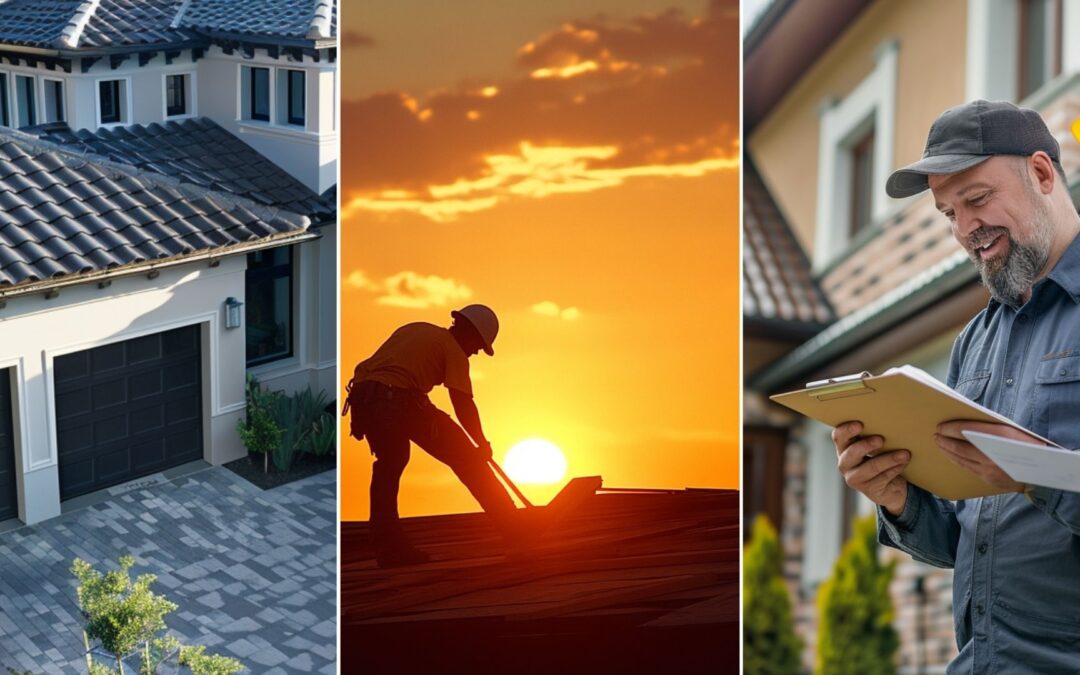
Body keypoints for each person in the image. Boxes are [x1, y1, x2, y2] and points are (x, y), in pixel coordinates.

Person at [832, 100, 1080, 673]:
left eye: (977, 199)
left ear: (1042, 174)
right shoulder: (973, 342)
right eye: (948, 213)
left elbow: (1032, 482)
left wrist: (1038, 473)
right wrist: (896, 496)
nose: (965, 229)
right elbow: (963, 539)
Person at [345, 304, 520, 568]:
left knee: (388, 467)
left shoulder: (417, 329)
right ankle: (514, 525)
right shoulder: (454, 350)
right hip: (397, 398)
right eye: (478, 347)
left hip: (364, 398)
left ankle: (388, 547)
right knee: (467, 457)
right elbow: (462, 402)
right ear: (470, 334)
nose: (474, 353)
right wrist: (481, 444)